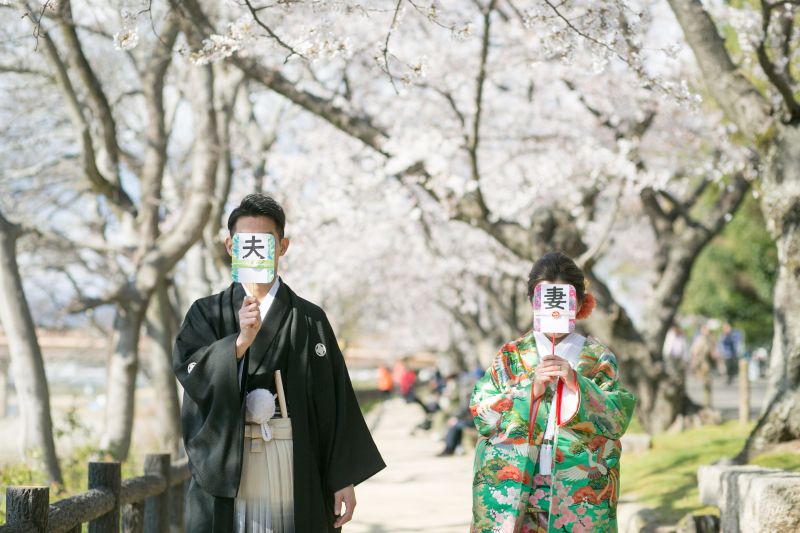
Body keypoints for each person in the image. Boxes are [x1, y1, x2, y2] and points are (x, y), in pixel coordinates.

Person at [173, 194, 385, 533]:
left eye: (265, 242)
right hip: (228, 461)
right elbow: (191, 373)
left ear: (282, 246)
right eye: (244, 243)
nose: (254, 251)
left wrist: (342, 477)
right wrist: (239, 343)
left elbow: (333, 402)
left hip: (294, 460)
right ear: (231, 246)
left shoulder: (309, 318)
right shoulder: (206, 313)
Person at [470, 251, 636, 533]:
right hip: (515, 484)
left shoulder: (597, 358)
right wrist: (530, 391)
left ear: (580, 302)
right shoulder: (512, 356)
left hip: (577, 486)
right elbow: (480, 412)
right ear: (533, 301)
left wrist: (576, 382)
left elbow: (616, 419)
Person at [690, 324, 717, 408]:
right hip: (701, 362)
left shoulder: (710, 338)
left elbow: (713, 351)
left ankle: (707, 403)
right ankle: (705, 403)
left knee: (707, 382)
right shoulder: (699, 339)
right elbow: (694, 350)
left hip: (707, 362)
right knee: (703, 381)